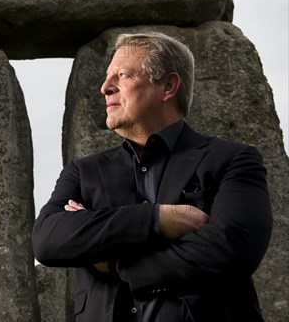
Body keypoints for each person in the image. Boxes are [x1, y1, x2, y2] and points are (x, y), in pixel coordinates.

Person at [32, 32, 272, 322]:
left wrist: (117, 262)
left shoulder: (232, 159)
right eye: (109, 78)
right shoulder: (83, 172)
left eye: (122, 75)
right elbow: (48, 240)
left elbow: (232, 247)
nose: (105, 88)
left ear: (168, 86)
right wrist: (158, 220)